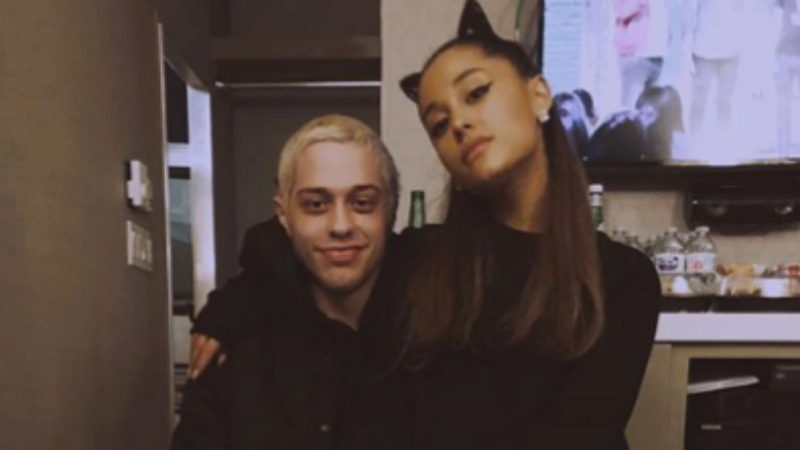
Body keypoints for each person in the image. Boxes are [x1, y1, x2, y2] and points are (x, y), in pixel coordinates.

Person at [191, 2, 660, 449]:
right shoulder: (426, 263)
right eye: (438, 124)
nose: (459, 124)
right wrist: (225, 311)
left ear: (539, 93)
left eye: (476, 93)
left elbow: (580, 435)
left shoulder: (621, 279)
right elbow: (298, 250)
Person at [171, 114, 403, 449]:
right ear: (283, 215)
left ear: (390, 210)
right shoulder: (232, 355)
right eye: (316, 205)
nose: (341, 225)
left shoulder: (435, 338)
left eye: (362, 203)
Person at [612, 0, 670, 108]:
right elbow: (621, 11)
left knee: (652, 111)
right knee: (630, 109)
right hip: (635, 55)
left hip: (658, 54)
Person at [775, 0, 800, 158]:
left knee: (783, 106)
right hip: (784, 54)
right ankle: (782, 153)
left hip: (787, 54)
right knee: (783, 106)